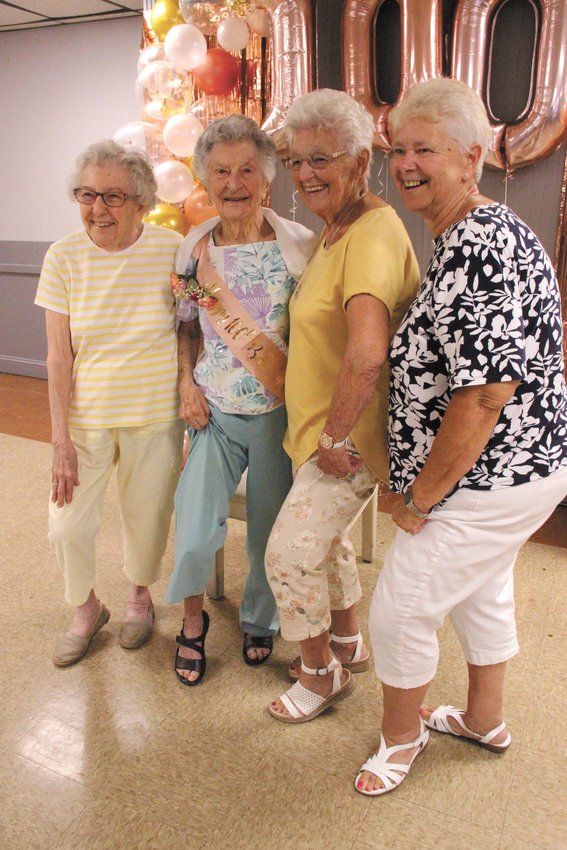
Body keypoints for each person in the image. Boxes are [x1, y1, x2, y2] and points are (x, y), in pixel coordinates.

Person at [356, 77, 567, 796]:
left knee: (398, 609)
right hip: (514, 472)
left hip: (488, 479)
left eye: (424, 150)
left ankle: (399, 735)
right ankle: (483, 719)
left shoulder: (478, 242)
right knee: (482, 589)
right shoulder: (472, 233)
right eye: (397, 150)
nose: (405, 164)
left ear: (470, 157)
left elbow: (481, 396)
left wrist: (420, 495)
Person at [264, 89, 421, 723]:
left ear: (360, 161)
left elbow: (366, 353)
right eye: (295, 161)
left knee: (288, 554)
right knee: (326, 545)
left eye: (319, 159)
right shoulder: (338, 228)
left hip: (347, 441)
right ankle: (347, 641)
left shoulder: (374, 232)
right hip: (319, 434)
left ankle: (319, 674)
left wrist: (333, 437)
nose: (304, 175)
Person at [165, 114, 316, 686]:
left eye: (246, 170)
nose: (233, 182)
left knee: (268, 533)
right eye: (220, 170)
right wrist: (186, 382)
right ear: (204, 178)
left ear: (266, 179)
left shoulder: (298, 245)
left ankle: (260, 618)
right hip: (215, 412)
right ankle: (193, 622)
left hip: (280, 414)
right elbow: (185, 325)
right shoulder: (194, 247)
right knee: (197, 526)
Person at [35, 140, 185, 667]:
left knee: (146, 517)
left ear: (142, 201)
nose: (97, 208)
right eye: (87, 194)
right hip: (84, 419)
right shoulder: (63, 256)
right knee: (66, 523)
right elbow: (57, 355)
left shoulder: (171, 249)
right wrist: (58, 439)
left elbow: (193, 330)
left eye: (113, 196)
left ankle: (139, 597)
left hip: (154, 413)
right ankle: (85, 607)